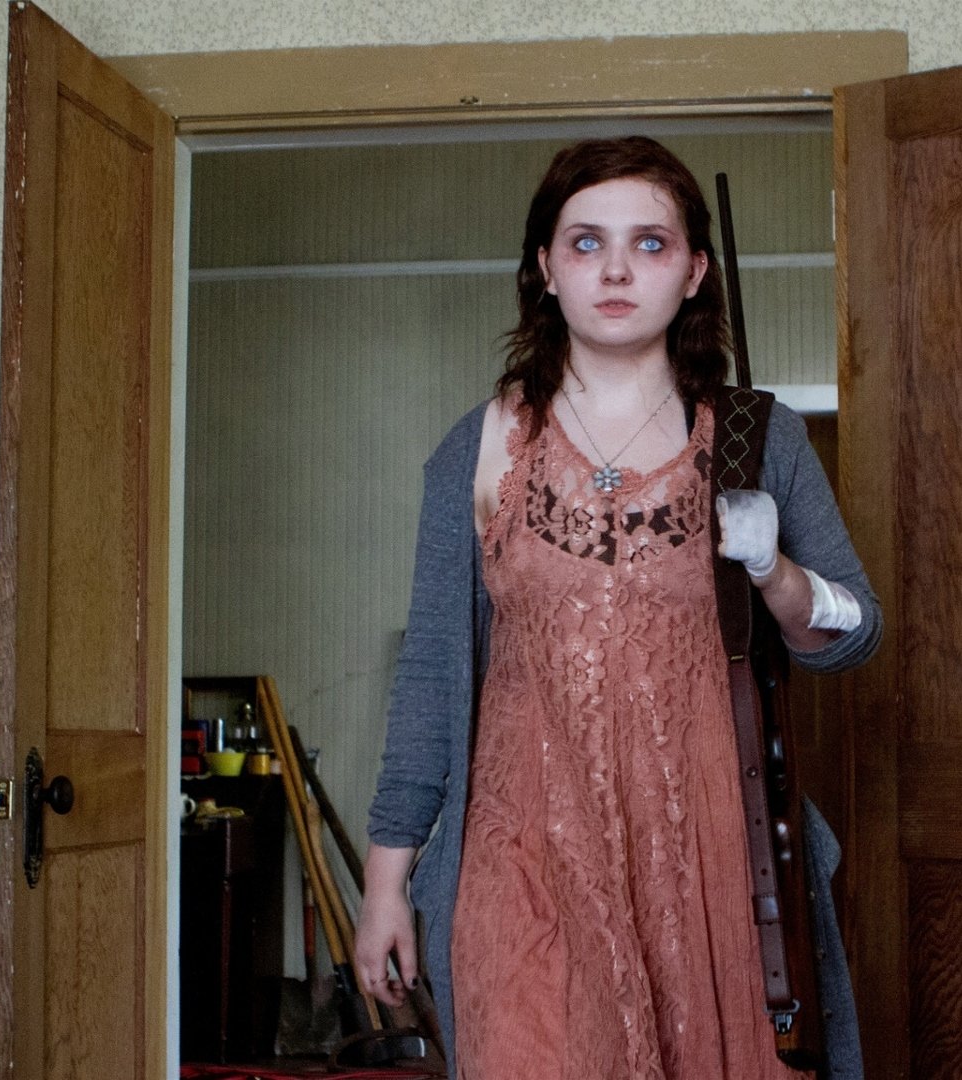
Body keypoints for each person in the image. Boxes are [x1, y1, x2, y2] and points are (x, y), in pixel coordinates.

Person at [356, 136, 881, 1080]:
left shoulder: (759, 438)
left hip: (713, 866)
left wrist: (774, 571)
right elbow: (430, 677)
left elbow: (853, 634)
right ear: (545, 268)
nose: (615, 270)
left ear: (694, 272)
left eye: (650, 243)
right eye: (586, 242)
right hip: (523, 861)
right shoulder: (480, 447)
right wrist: (384, 885)